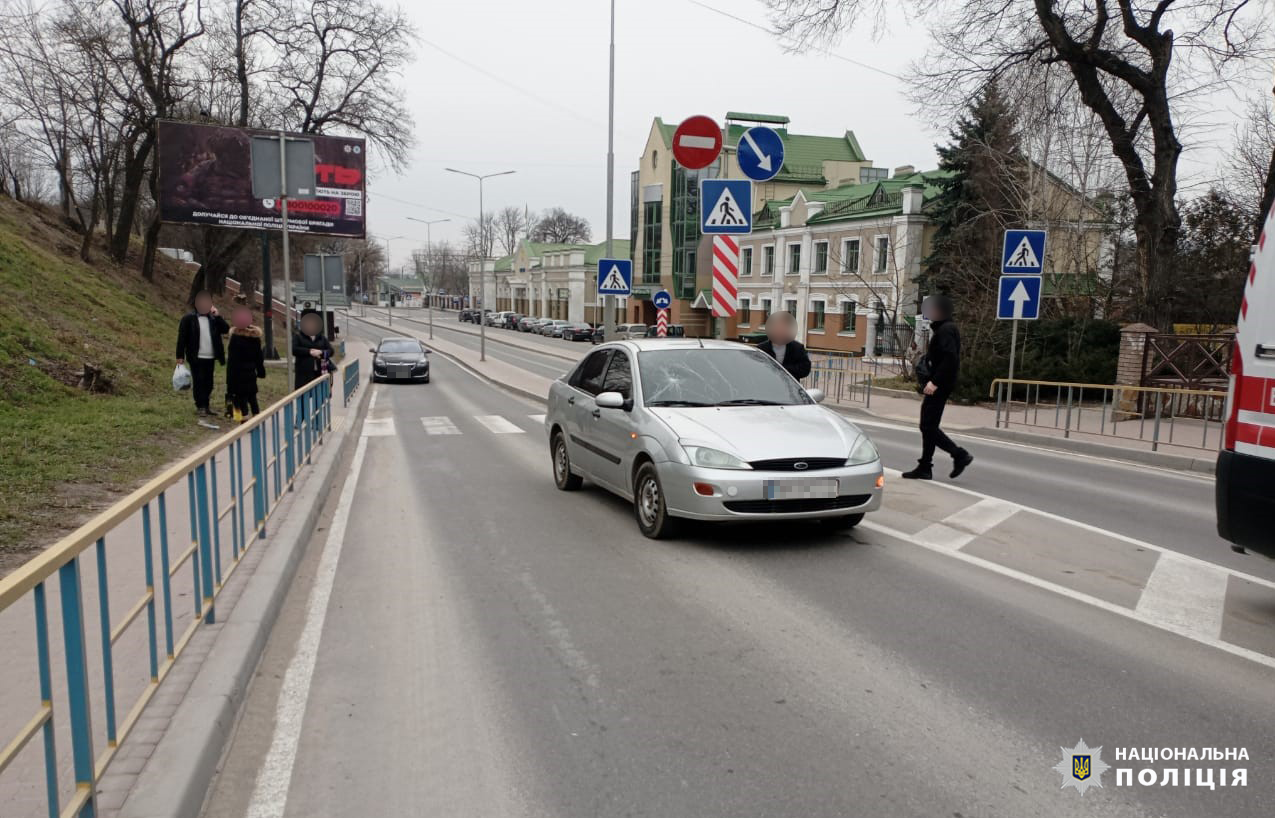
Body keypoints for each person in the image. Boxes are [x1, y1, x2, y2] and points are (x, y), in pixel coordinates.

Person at [903, 294, 973, 480]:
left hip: (939, 384)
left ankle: (959, 454)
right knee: (929, 425)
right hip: (940, 383)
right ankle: (925, 466)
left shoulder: (946, 330)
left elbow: (950, 358)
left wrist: (935, 382)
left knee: (927, 426)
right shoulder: (944, 328)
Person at [176, 290, 229, 417]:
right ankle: (200, 406)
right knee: (198, 382)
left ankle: (206, 405)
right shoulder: (188, 319)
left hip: (210, 356)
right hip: (196, 356)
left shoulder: (213, 319)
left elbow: (226, 329)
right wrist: (180, 356)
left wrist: (217, 316)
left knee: (209, 383)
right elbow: (181, 338)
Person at [225, 298, 266, 420]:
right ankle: (257, 417)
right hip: (251, 373)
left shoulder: (235, 339)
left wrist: (229, 380)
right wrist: (261, 371)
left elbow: (232, 361)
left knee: (240, 397)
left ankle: (244, 419)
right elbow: (259, 357)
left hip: (238, 373)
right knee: (252, 396)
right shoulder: (255, 339)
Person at [756, 311, 812, 380]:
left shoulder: (797, 348)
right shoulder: (761, 349)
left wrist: (782, 369)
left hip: (789, 388)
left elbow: (805, 369)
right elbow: (756, 368)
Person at [293, 309, 333, 389]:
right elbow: (294, 349)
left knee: (319, 395)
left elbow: (331, 351)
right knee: (303, 394)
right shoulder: (298, 337)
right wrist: (309, 352)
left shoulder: (321, 338)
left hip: (320, 372)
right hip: (303, 373)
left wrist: (321, 352)